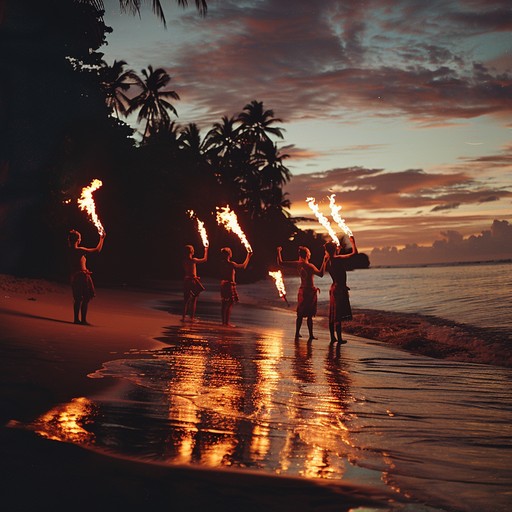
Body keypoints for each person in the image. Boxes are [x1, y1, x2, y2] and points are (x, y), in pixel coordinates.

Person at [277, 245, 328, 341]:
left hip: (302, 290)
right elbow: (321, 274)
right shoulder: (310, 266)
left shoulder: (298, 264)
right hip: (309, 291)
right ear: (307, 255)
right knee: (309, 315)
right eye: (309, 253)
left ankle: (297, 333)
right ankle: (311, 335)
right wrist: (324, 261)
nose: (310, 255)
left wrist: (279, 251)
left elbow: (280, 263)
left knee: (300, 314)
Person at [324, 236, 358, 344]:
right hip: (339, 289)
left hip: (334, 287)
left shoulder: (327, 260)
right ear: (334, 249)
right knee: (338, 315)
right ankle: (339, 339)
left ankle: (333, 337)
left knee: (333, 314)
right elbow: (354, 254)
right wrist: (353, 243)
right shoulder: (337, 259)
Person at [67, 229, 105, 325]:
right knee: (86, 298)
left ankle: (76, 319)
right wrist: (102, 239)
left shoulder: (70, 251)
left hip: (74, 277)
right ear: (78, 240)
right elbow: (97, 251)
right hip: (82, 277)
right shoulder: (79, 250)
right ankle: (82, 320)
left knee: (78, 299)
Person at [219, 246, 252, 327]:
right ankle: (226, 323)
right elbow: (243, 266)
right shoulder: (231, 264)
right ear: (229, 254)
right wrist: (248, 256)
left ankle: (223, 322)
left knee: (224, 303)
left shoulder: (222, 263)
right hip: (229, 285)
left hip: (223, 284)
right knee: (230, 302)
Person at [182, 244, 208, 321]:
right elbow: (204, 259)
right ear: (192, 252)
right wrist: (206, 250)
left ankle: (183, 317)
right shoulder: (193, 260)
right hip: (192, 281)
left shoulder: (184, 261)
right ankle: (192, 317)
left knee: (186, 300)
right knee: (194, 299)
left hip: (186, 280)